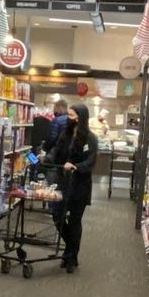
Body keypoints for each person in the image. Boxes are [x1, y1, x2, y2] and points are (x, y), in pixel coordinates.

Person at [52, 102, 97, 272]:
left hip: (80, 185)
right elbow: (56, 152)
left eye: (71, 116)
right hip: (63, 183)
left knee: (75, 221)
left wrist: (76, 167)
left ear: (80, 118)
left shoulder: (90, 138)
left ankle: (71, 257)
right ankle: (70, 251)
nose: (68, 119)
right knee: (57, 216)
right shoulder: (66, 134)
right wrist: (45, 159)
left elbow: (91, 161)